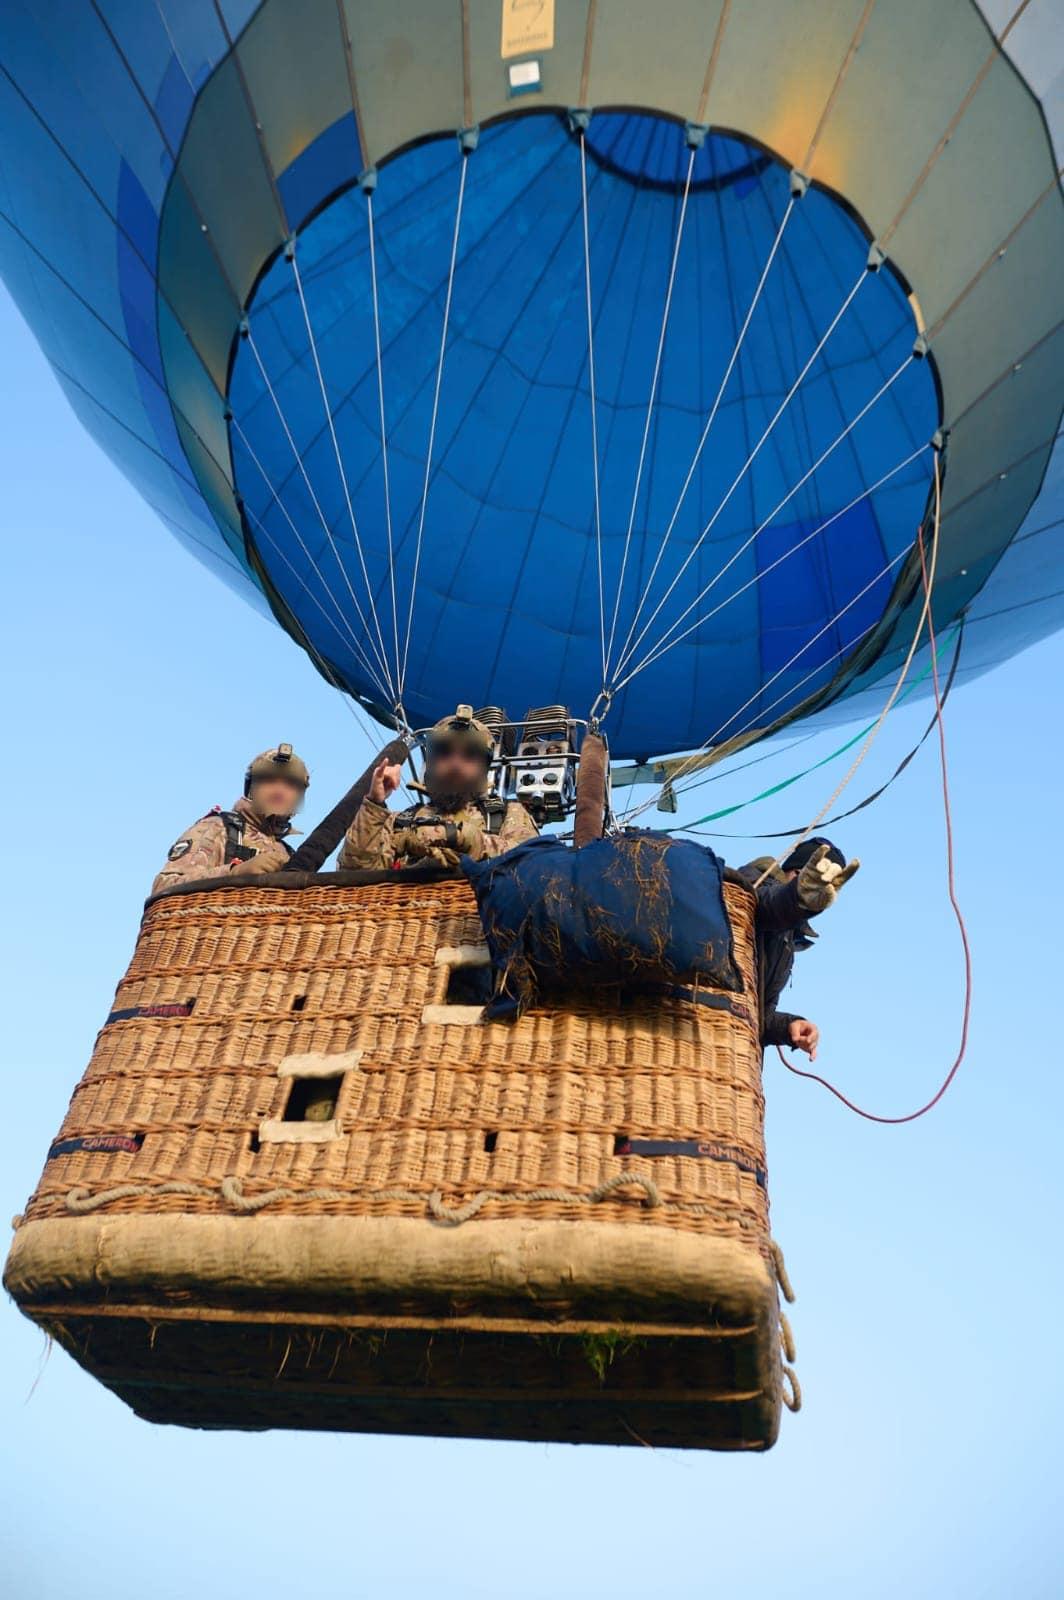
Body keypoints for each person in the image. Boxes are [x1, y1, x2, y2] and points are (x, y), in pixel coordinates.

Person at [340, 706, 538, 871]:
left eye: (469, 755)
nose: (455, 764)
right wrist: (374, 804)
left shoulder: (507, 815)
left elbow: (533, 866)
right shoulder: (398, 822)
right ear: (430, 763)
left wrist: (468, 840)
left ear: (484, 768)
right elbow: (354, 872)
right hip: (406, 914)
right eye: (445, 752)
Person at [738, 838, 859, 1060]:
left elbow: (757, 1015)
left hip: (736, 1060)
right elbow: (767, 903)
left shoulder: (787, 938)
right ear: (800, 873)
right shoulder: (752, 884)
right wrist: (797, 897)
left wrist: (790, 1025)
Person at [151, 744, 310, 895]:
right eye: (269, 780)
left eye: (291, 785)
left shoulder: (288, 853)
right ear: (251, 789)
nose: (279, 791)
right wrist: (234, 873)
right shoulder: (218, 828)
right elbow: (164, 887)